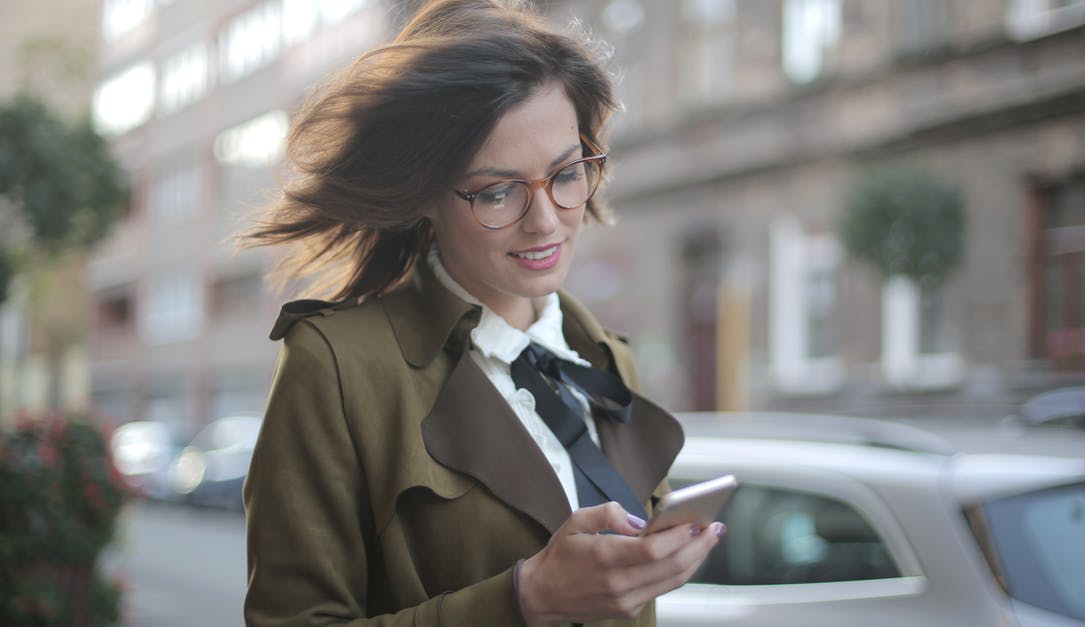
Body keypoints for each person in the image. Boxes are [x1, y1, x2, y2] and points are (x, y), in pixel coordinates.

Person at [239, 1, 725, 625]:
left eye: (567, 173)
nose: (546, 220)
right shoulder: (336, 366)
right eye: (497, 191)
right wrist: (525, 598)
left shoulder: (604, 358)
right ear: (424, 196)